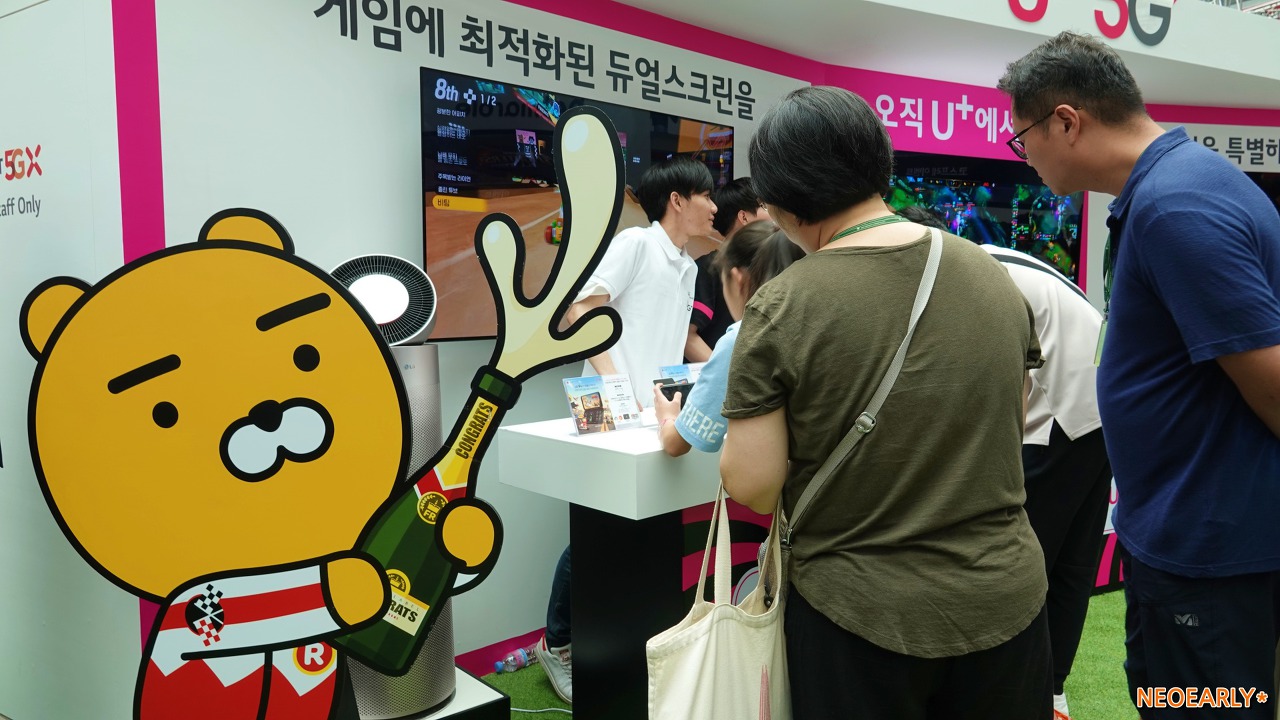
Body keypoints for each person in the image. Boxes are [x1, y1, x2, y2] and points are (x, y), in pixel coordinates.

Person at [719, 85, 1052, 720]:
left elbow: (754, 487)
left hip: (856, 614)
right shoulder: (992, 275)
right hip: (1004, 598)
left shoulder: (784, 302)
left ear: (782, 200)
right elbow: (1011, 423)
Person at [1000, 31, 1280, 720]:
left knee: (1202, 705)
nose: (1024, 156)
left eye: (1023, 138)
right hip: (1190, 538)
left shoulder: (1175, 206)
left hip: (1208, 553)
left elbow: (1272, 380)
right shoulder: (1174, 189)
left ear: (1067, 121)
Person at [901, 204, 1112, 720]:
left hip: (1060, 413)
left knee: (1023, 558)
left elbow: (989, 380)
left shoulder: (966, 279)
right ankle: (1052, 689)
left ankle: (1027, 687)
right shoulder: (989, 259)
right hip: (1100, 407)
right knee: (1072, 562)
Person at [534, 155, 717, 704]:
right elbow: (581, 309)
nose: (715, 206)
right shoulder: (637, 243)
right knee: (598, 526)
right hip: (604, 406)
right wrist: (618, 386)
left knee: (644, 523)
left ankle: (630, 649)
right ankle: (559, 643)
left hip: (650, 414)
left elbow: (676, 344)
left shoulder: (686, 266)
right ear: (678, 200)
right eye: (706, 195)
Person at [654, 220, 803, 457]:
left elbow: (676, 444)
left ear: (737, 278)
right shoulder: (810, 325)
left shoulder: (742, 339)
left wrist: (667, 417)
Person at [685, 177, 771, 362]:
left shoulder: (767, 265)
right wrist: (724, 373)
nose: (773, 214)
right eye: (764, 206)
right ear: (744, 217)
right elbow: (688, 337)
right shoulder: (708, 268)